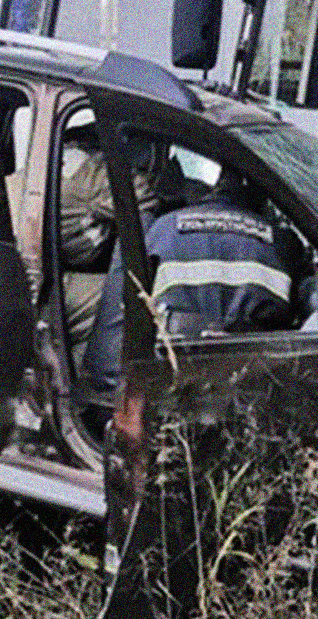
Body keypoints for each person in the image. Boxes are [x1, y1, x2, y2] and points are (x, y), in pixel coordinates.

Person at [80, 167, 298, 428]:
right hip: (246, 412)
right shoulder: (285, 243)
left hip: (168, 403)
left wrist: (108, 412)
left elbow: (111, 335)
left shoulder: (160, 230)